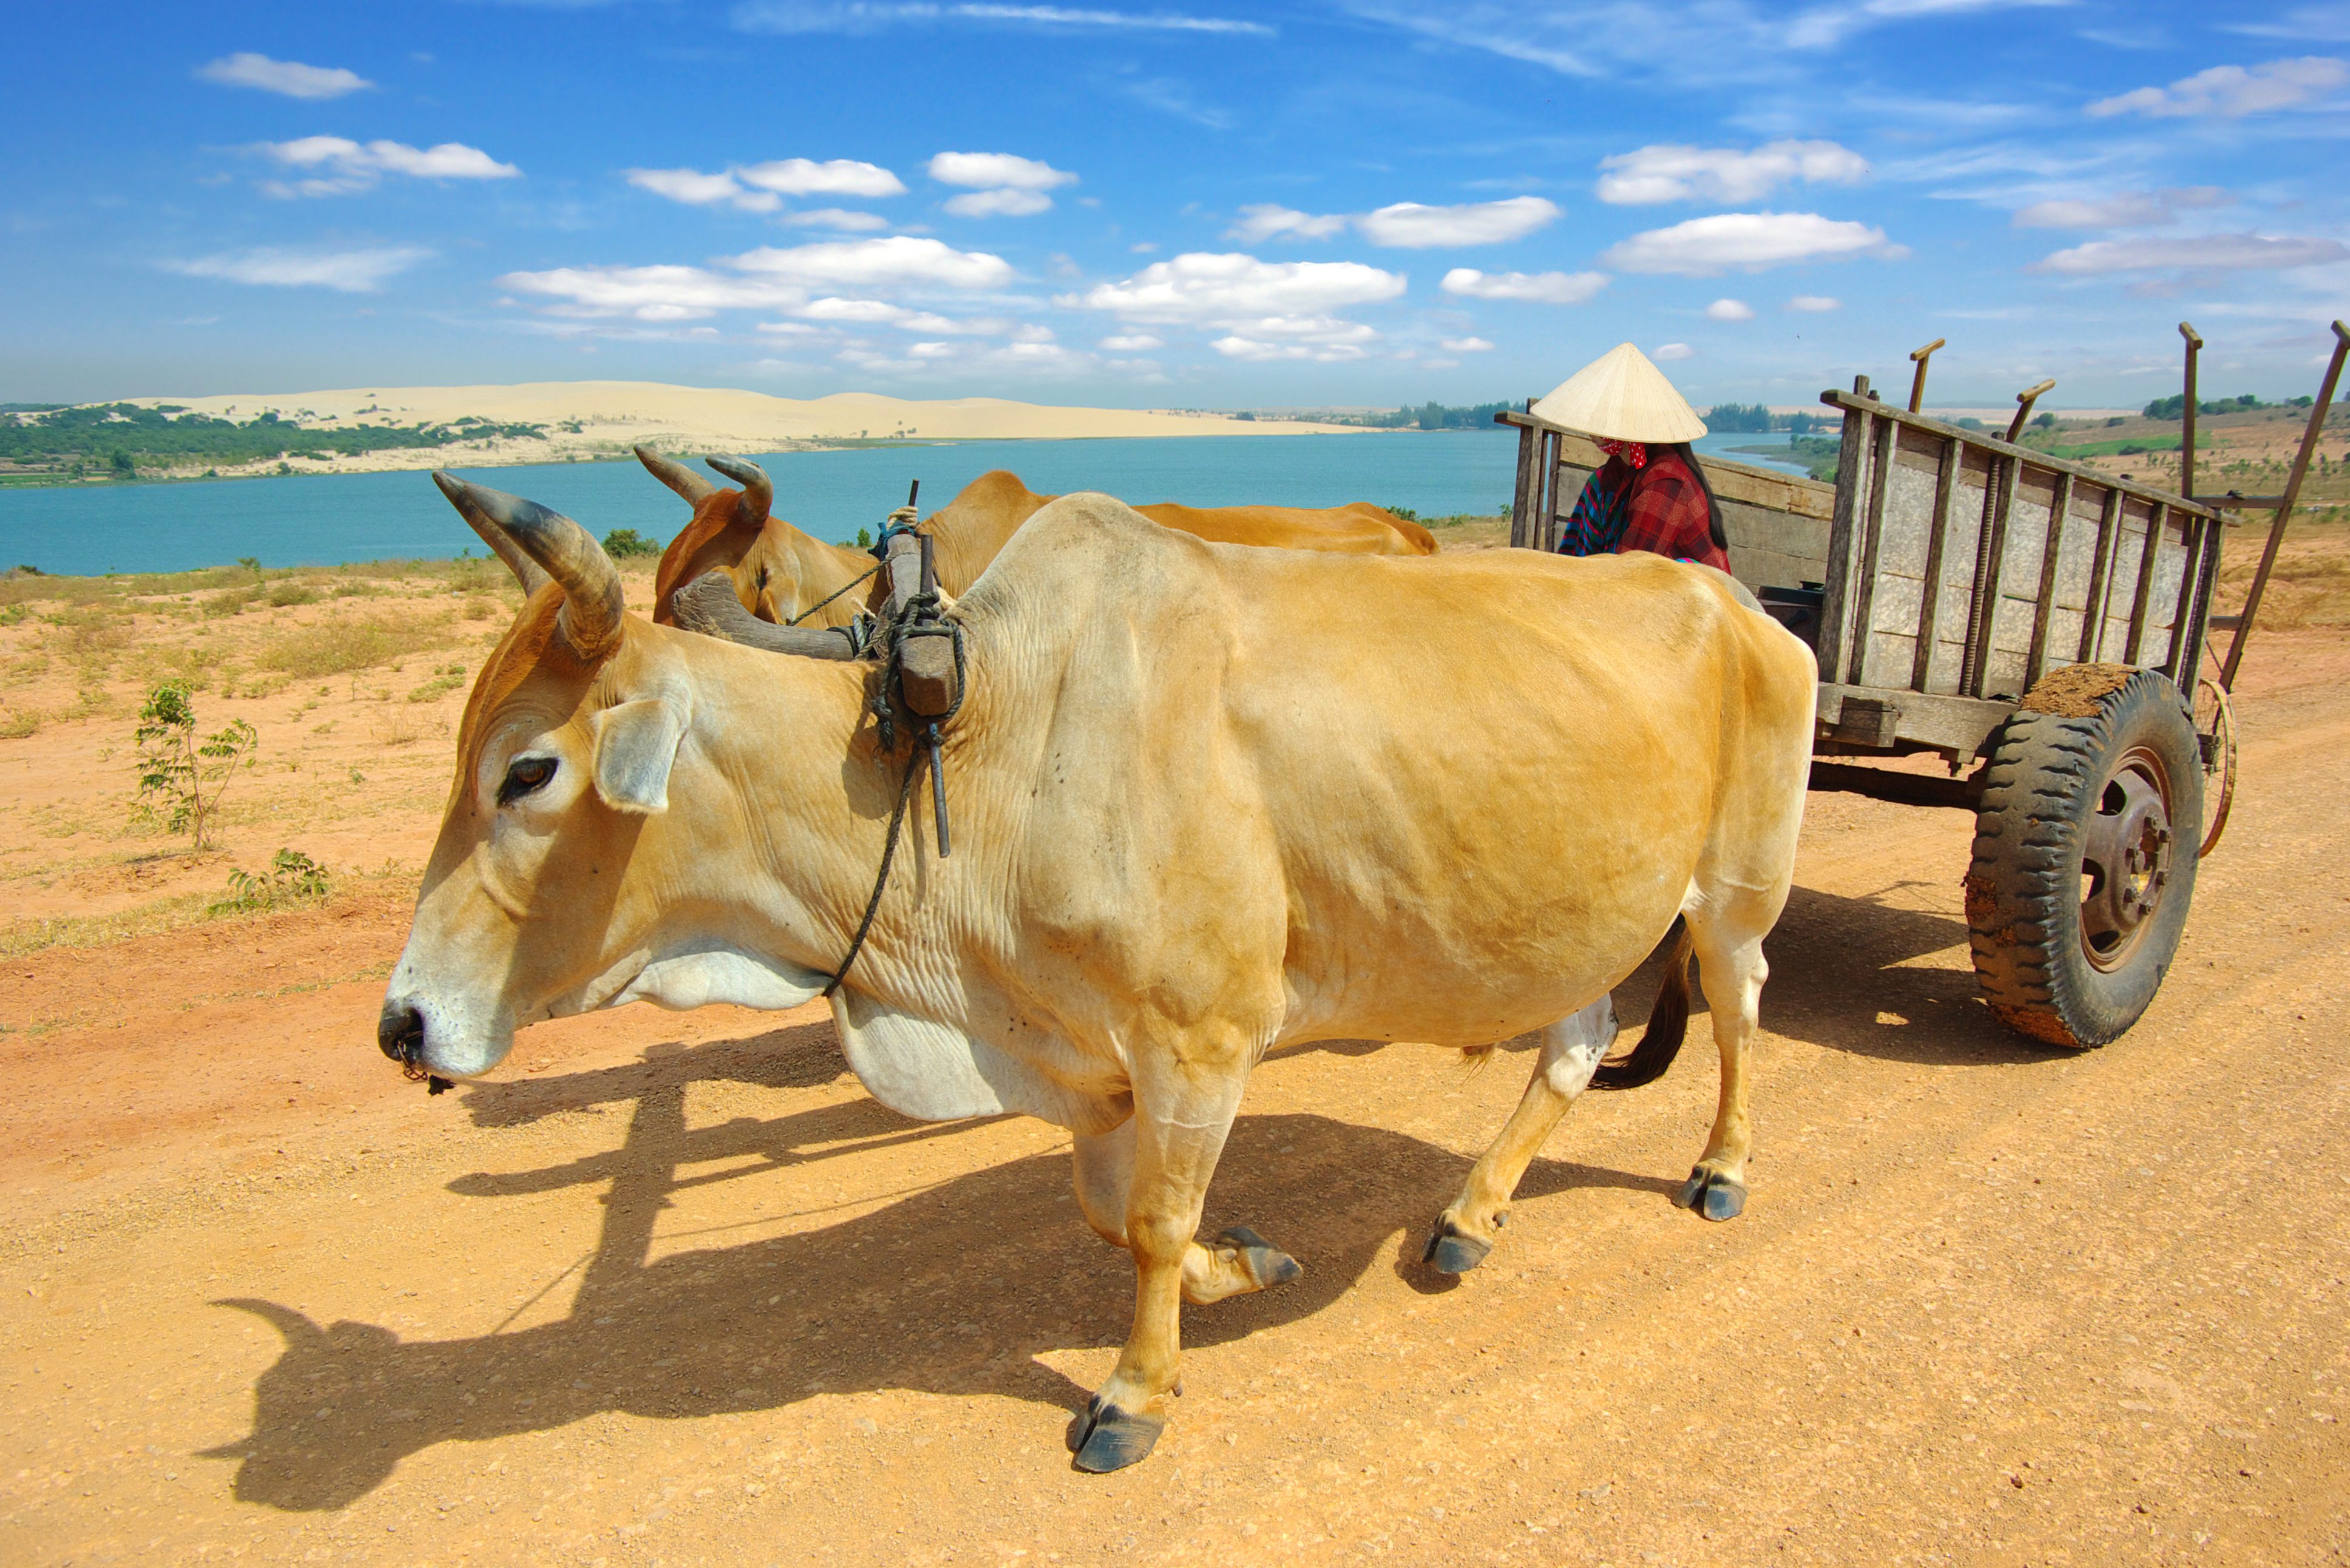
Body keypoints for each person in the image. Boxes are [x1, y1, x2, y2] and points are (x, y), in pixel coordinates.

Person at [1534, 343, 1731, 573]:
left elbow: (1629, 573)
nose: (1591, 428)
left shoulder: (1665, 482)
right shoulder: (1615, 471)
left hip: (1697, 602)